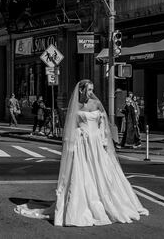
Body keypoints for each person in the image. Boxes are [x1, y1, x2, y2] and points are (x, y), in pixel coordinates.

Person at [14, 79, 148, 226]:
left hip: (96, 142)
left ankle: (108, 202)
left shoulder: (96, 104)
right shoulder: (76, 106)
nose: (91, 92)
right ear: (81, 90)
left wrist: (103, 140)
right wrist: (74, 140)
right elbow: (71, 126)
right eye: (88, 89)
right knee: (83, 173)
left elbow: (103, 123)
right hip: (82, 143)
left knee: (103, 172)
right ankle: (81, 205)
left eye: (92, 89)